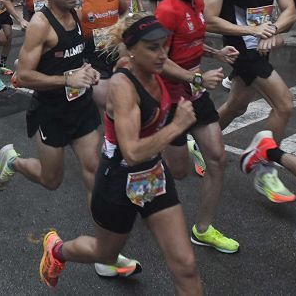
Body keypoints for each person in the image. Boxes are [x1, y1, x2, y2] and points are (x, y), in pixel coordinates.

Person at [0, 0, 140, 278]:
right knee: (51, 179)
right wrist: (68, 79)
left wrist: (87, 67)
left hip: (81, 106)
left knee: (94, 174)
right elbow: (23, 76)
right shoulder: (40, 25)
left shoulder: (75, 12)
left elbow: (77, 52)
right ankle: (13, 161)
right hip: (51, 112)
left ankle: (105, 252)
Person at [37, 15, 202, 294]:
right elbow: (133, 152)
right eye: (153, 48)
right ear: (132, 51)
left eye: (165, 46)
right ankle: (58, 251)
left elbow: (173, 66)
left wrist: (196, 77)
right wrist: (177, 126)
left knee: (185, 265)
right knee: (104, 254)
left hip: (153, 178)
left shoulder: (155, 64)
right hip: (118, 181)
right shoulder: (123, 86)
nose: (163, 54)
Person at [204, 0, 296, 203]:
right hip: (241, 51)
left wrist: (272, 30)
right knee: (284, 105)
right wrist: (251, 30)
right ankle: (265, 168)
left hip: (261, 46)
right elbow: (208, 20)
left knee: (237, 105)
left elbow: (290, 12)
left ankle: (199, 139)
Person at [154, 0, 240, 252]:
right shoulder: (167, 11)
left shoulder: (199, 3)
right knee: (179, 172)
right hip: (171, 97)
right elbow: (159, 60)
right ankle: (140, 174)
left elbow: (191, 42)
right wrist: (197, 79)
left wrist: (216, 54)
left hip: (195, 91)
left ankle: (203, 229)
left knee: (218, 159)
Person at [78, 0, 129, 115]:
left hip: (117, 55)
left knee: (128, 102)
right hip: (92, 59)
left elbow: (124, 13)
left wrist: (119, 31)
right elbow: (71, 32)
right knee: (109, 107)